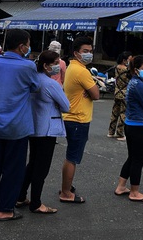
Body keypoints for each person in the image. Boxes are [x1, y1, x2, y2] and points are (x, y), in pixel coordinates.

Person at [0, 29, 39, 221]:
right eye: (28, 44)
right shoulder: (28, 66)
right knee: (13, 170)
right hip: (17, 126)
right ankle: (5, 209)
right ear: (22, 46)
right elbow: (35, 87)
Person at [17, 50, 69, 214]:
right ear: (46, 65)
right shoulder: (51, 84)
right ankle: (36, 203)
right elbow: (66, 106)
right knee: (41, 168)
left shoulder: (33, 80)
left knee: (32, 164)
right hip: (47, 130)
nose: (57, 67)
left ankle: (20, 196)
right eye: (55, 63)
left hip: (33, 127)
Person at [115, 55, 143, 202]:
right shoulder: (140, 85)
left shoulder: (134, 82)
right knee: (138, 160)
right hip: (140, 126)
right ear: (136, 70)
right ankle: (134, 192)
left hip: (131, 124)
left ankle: (121, 186)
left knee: (133, 157)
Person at [60, 36, 99, 204]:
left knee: (71, 155)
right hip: (78, 119)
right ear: (76, 53)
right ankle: (66, 192)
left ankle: (66, 187)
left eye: (90, 51)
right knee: (72, 157)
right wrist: (91, 89)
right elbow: (96, 94)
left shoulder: (73, 67)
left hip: (72, 117)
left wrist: (89, 89)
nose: (88, 54)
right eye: (85, 51)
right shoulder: (82, 71)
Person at [108, 51, 133, 140]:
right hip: (125, 93)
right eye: (129, 59)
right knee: (123, 113)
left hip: (117, 91)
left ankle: (111, 132)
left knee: (115, 112)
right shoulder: (126, 70)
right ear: (124, 60)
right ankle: (120, 133)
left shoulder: (117, 67)